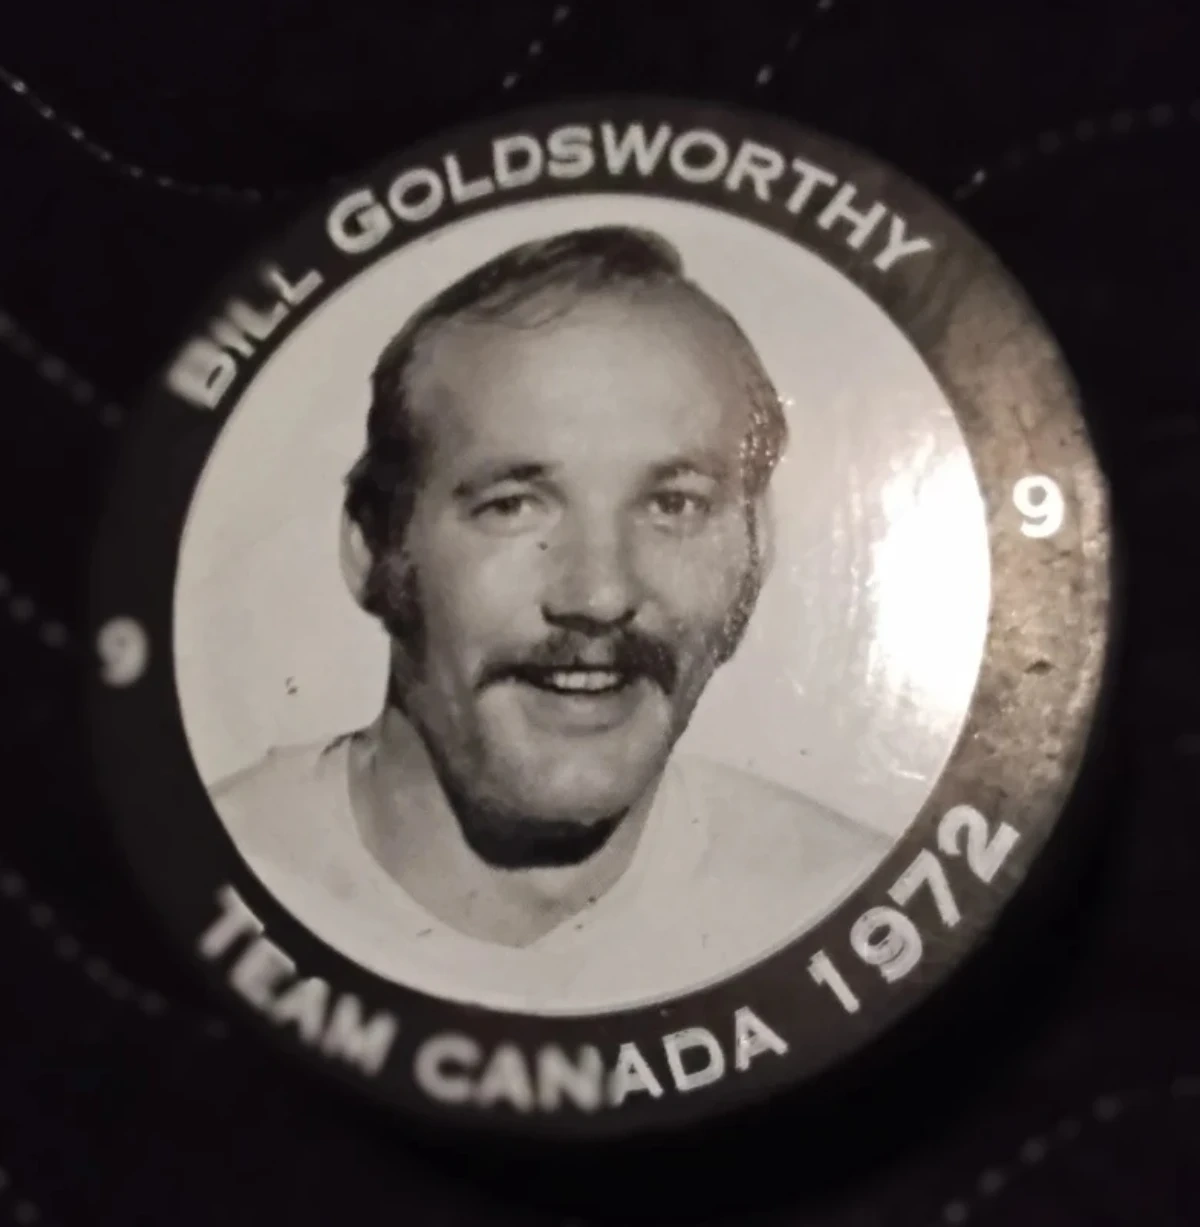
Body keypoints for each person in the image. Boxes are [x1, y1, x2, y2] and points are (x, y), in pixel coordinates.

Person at [212, 225, 887, 1011]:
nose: (599, 595)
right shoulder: (211, 881)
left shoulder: (853, 919)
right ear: (374, 546)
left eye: (674, 505)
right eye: (513, 505)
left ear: (757, 550)